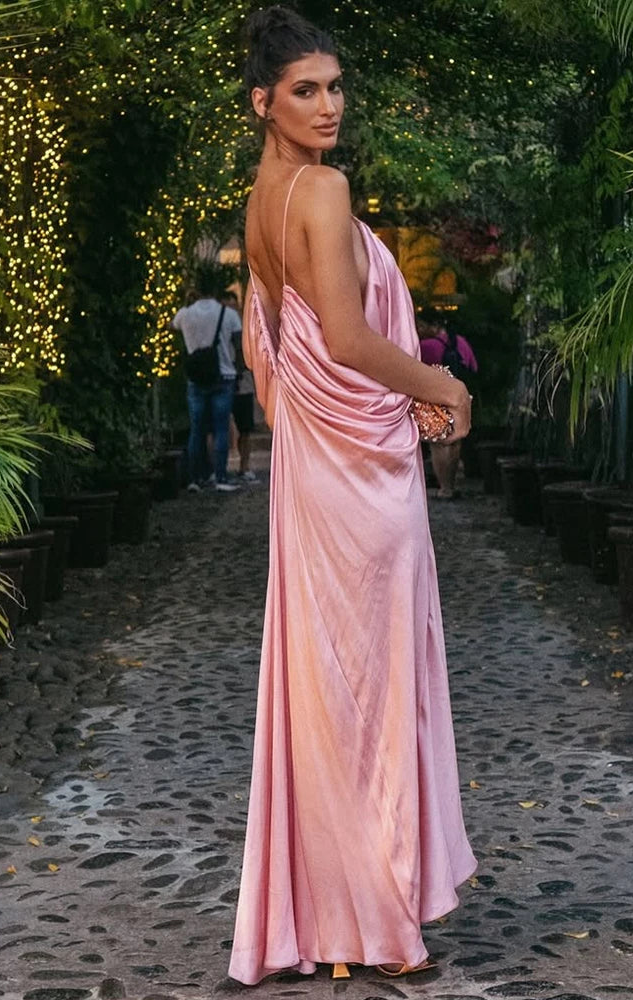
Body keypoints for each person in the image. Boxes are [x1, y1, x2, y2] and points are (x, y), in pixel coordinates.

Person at [229, 6, 476, 986]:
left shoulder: (261, 198)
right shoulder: (320, 191)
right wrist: (440, 384)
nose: (328, 106)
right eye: (305, 90)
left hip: (317, 467)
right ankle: (373, 921)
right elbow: (340, 336)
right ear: (264, 101)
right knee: (369, 689)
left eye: (334, 87)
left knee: (327, 686)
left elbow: (274, 359)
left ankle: (330, 916)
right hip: (359, 476)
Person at [173, 270, 241, 492]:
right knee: (221, 428)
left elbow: (172, 326)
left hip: (196, 377)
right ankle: (220, 475)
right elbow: (238, 345)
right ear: (215, 290)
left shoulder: (185, 314)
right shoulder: (228, 314)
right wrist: (239, 371)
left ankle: (195, 478)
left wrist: (186, 301)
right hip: (223, 374)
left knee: (197, 429)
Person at [418, 312, 479, 499]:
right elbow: (474, 366)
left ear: (432, 326)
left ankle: (444, 486)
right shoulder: (460, 341)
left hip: (435, 395)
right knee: (455, 441)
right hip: (459, 393)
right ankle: (451, 483)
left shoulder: (425, 346)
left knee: (439, 443)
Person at [225, 289, 258, 482]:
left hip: (241, 380)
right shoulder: (226, 325)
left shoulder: (244, 325)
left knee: (245, 427)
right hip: (229, 378)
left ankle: (244, 465)